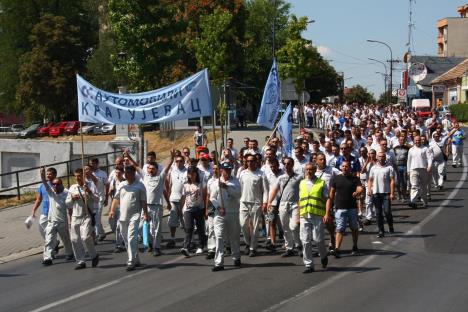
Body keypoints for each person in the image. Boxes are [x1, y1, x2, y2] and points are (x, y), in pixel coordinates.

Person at [109, 165, 149, 271]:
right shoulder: (122, 185)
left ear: (133, 174)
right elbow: (116, 199)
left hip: (135, 215)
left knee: (131, 237)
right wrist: (112, 210)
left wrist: (145, 213)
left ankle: (131, 261)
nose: (125, 175)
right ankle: (136, 258)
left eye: (128, 173)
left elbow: (143, 201)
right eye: (125, 173)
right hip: (122, 216)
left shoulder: (140, 186)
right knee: (127, 240)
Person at [298, 163, 331, 273]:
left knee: (318, 240)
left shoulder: (321, 183)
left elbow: (327, 199)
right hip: (304, 215)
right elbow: (300, 199)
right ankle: (309, 265)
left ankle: (323, 255)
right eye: (307, 169)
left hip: (317, 215)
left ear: (315, 170)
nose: (309, 171)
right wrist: (298, 215)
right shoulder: (302, 183)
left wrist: (327, 213)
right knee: (305, 241)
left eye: (311, 169)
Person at [266, 157, 302, 257]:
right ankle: (289, 248)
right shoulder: (280, 177)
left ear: (292, 164)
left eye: (288, 164)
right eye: (285, 164)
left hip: (295, 204)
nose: (286, 166)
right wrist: (269, 202)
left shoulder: (299, 177)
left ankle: (298, 245)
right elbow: (275, 189)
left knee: (294, 226)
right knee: (285, 227)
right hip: (283, 204)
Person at [141, 151, 174, 256]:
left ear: (156, 170)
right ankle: (150, 242)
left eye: (152, 169)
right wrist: (128, 157)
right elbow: (136, 167)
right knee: (142, 226)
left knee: (156, 228)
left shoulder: (160, 178)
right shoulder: (145, 177)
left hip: (157, 206)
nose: (150, 170)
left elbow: (167, 168)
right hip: (145, 206)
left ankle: (157, 247)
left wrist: (171, 158)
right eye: (149, 168)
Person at [66, 168, 100, 270]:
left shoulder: (90, 185)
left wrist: (89, 192)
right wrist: (72, 198)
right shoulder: (72, 188)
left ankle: (94, 255)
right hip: (76, 216)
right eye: (75, 176)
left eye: (79, 176)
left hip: (87, 215)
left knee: (85, 237)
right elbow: (67, 204)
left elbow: (97, 199)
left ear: (84, 176)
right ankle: (81, 261)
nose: (77, 178)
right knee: (74, 239)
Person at [211, 162, 242, 271]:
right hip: (220, 214)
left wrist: (227, 187)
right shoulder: (215, 182)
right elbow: (212, 198)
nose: (228, 171)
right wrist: (218, 207)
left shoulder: (236, 181)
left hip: (233, 212)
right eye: (226, 169)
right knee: (219, 237)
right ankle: (219, 263)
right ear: (221, 170)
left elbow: (239, 194)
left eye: (229, 169)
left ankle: (236, 257)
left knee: (234, 236)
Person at [329, 161, 364, 258]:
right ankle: (337, 249)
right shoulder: (335, 178)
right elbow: (331, 193)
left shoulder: (354, 178)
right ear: (341, 167)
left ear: (350, 167)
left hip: (352, 208)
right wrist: (330, 205)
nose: (345, 168)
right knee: (339, 229)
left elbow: (360, 188)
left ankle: (355, 246)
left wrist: (357, 192)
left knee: (354, 228)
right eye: (343, 166)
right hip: (340, 208)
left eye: (347, 166)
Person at [39, 167, 73, 266]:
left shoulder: (66, 193)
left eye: (57, 184)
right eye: (53, 184)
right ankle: (47, 258)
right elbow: (45, 184)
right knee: (49, 240)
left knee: (66, 240)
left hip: (62, 222)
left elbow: (70, 208)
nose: (55, 186)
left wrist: (71, 220)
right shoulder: (51, 193)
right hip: (51, 221)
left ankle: (69, 253)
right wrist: (42, 175)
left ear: (61, 184)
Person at [239, 154, 268, 257]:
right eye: (248, 161)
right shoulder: (242, 173)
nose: (250, 163)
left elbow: (265, 190)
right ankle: (247, 243)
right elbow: (240, 188)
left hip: (256, 203)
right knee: (243, 225)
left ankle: (253, 248)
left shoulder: (261, 174)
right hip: (243, 202)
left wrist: (265, 203)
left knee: (255, 227)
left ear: (256, 162)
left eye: (252, 161)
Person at [179, 166, 207, 257]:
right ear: (188, 175)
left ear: (196, 174)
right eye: (190, 174)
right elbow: (183, 197)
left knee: (200, 228)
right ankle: (186, 247)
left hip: (199, 208)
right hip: (188, 209)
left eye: (194, 174)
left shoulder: (200, 184)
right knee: (189, 228)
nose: (192, 175)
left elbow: (206, 196)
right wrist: (180, 209)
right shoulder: (185, 184)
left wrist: (206, 209)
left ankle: (201, 245)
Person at [368, 152, 395, 238]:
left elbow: (392, 181)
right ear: (377, 157)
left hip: (386, 193)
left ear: (385, 157)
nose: (381, 158)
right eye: (379, 156)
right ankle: (381, 231)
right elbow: (370, 180)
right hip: (376, 193)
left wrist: (392, 193)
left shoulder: (389, 167)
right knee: (378, 213)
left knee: (387, 212)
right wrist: (369, 190)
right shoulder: (373, 168)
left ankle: (390, 226)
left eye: (383, 156)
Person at [31, 167, 57, 241]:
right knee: (41, 225)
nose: (48, 175)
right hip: (45, 212)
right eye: (47, 174)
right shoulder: (42, 186)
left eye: (50, 174)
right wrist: (33, 210)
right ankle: (52, 242)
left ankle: (52, 242)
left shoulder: (56, 185)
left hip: (54, 212)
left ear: (55, 175)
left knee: (51, 229)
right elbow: (39, 199)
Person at [166, 155, 187, 248]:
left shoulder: (187, 172)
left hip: (184, 199)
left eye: (181, 161)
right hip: (173, 199)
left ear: (183, 161)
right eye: (177, 161)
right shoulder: (172, 171)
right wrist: (168, 198)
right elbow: (170, 185)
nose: (179, 162)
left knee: (186, 221)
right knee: (172, 221)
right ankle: (172, 239)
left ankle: (189, 239)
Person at [407, 136, 433, 209]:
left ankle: (425, 201)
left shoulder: (425, 148)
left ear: (421, 141)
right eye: (416, 140)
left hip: (423, 169)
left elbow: (429, 158)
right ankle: (413, 202)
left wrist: (429, 166)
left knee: (423, 187)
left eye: (419, 140)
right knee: (414, 186)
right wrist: (408, 170)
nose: (417, 141)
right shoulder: (411, 150)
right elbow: (409, 161)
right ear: (414, 141)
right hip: (413, 169)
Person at [89, 158, 109, 241]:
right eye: (91, 163)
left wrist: (107, 197)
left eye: (93, 163)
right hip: (90, 198)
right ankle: (102, 233)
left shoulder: (103, 173)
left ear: (97, 164)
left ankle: (98, 234)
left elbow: (107, 185)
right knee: (93, 217)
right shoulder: (87, 173)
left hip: (100, 197)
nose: (92, 165)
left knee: (97, 217)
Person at [108, 165, 125, 253]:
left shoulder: (125, 182)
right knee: (112, 224)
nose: (117, 174)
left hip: (122, 206)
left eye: (119, 173)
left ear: (122, 173)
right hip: (114, 206)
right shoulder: (113, 181)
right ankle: (121, 238)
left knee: (119, 226)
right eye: (116, 173)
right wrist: (110, 191)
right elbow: (110, 193)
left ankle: (119, 245)